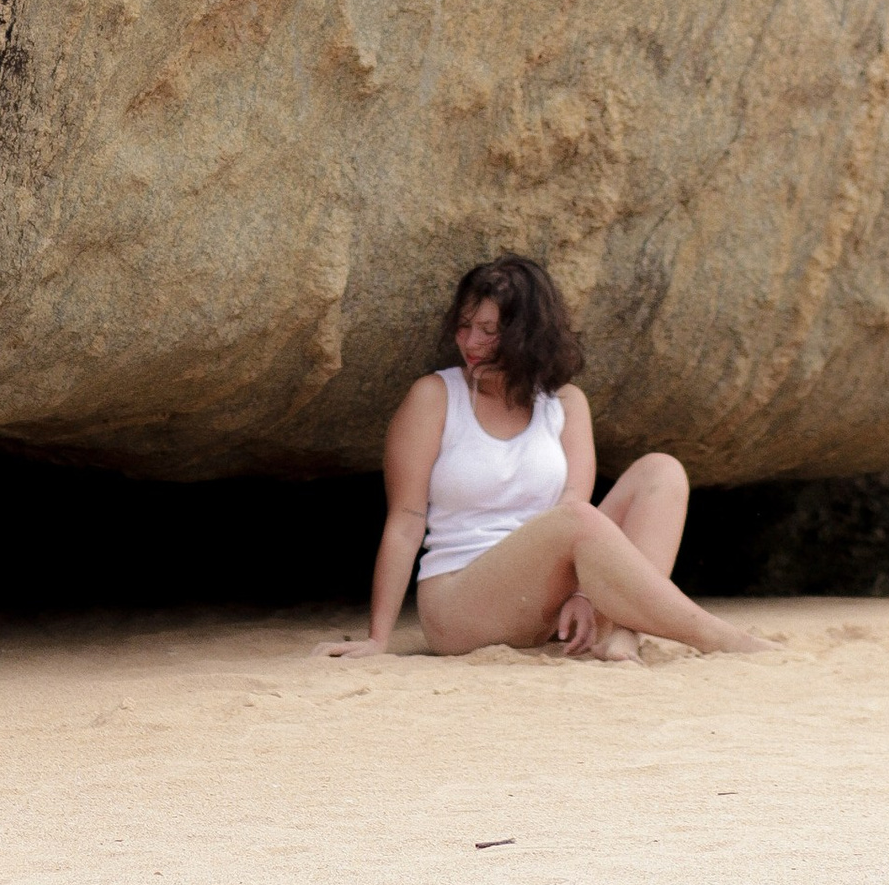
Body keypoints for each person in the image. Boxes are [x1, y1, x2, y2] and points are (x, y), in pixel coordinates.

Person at [319, 254, 757, 662]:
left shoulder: (565, 403)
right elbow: (406, 520)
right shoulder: (434, 397)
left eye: (488, 330)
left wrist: (582, 594)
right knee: (575, 520)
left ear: (525, 334)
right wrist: (378, 638)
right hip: (461, 601)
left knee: (661, 471)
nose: (470, 341)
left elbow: (573, 502)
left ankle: (623, 633)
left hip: (547, 595)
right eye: (464, 325)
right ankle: (716, 636)